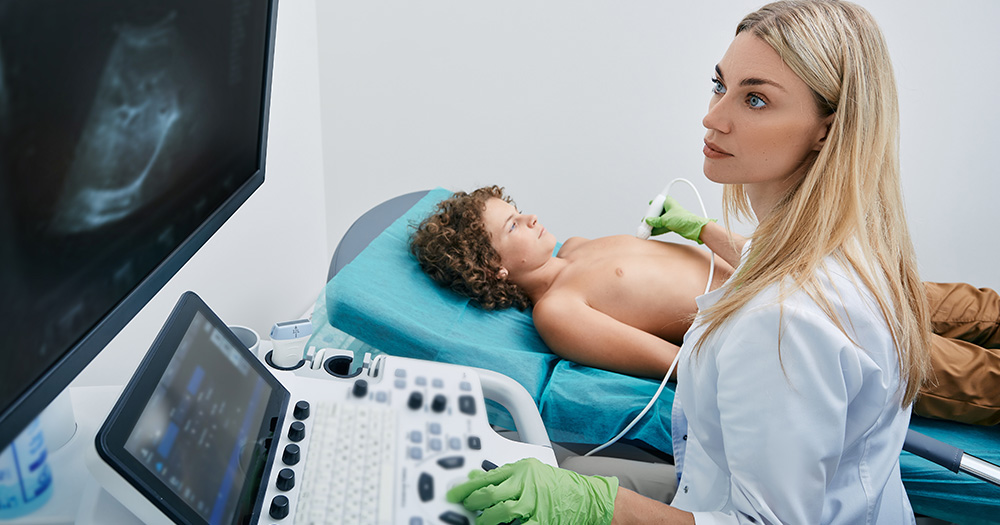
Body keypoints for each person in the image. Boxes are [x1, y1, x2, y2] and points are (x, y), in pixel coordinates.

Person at [433, 1, 948, 523]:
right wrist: (703, 231)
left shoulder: (780, 325)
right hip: (751, 483)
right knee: (547, 470)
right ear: (492, 266)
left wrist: (597, 508)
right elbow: (726, 311)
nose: (712, 117)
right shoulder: (847, 251)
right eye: (720, 85)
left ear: (825, 130)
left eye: (755, 99)